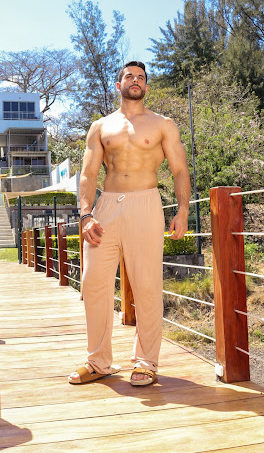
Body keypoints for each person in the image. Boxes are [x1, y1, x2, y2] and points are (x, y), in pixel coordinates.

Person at [68, 61, 191, 386]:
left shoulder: (163, 124)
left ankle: (146, 362)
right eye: (129, 76)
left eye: (140, 77)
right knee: (93, 283)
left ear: (146, 87)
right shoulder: (101, 126)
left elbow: (180, 169)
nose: (135, 80)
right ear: (118, 85)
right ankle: (98, 361)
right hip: (106, 207)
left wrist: (182, 210)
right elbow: (88, 174)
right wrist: (85, 214)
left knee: (146, 285)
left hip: (145, 203)